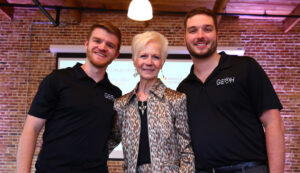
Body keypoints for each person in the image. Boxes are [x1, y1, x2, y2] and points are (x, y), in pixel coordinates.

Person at [177, 7, 285, 173]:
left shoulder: (245, 68)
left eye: (207, 29)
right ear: (185, 38)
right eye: (193, 30)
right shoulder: (184, 89)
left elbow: (273, 122)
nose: (200, 36)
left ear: (217, 34)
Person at [16, 21, 122, 173]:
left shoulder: (115, 94)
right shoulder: (58, 79)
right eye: (97, 41)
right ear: (86, 44)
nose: (103, 47)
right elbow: (31, 129)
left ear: (116, 54)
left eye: (110, 45)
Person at [108, 31, 194, 172]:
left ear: (163, 62)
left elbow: (187, 150)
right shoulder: (122, 104)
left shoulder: (176, 100)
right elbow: (110, 141)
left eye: (155, 57)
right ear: (134, 60)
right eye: (143, 56)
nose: (149, 62)